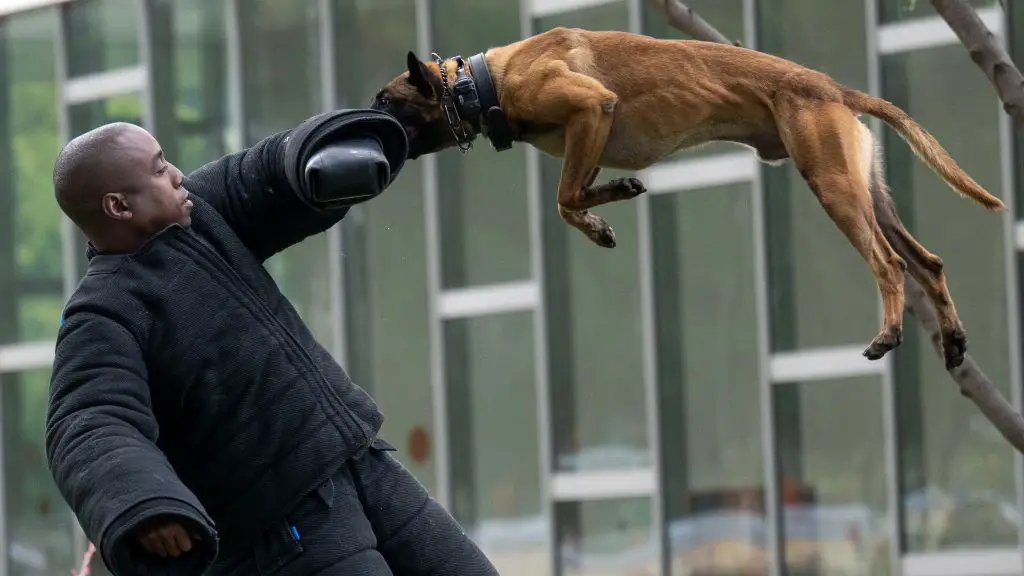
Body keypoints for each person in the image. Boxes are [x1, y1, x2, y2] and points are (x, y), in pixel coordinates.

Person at [44, 109, 500, 576]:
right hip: (283, 532)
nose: (178, 175)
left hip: (363, 466)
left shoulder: (201, 212)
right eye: (160, 169)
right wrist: (146, 503)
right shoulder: (101, 314)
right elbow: (87, 424)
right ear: (119, 206)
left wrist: (332, 151)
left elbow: (261, 175)